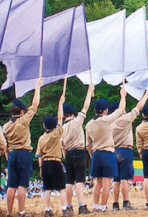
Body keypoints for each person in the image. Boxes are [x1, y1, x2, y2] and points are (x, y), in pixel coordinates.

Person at [4, 78, 42, 217]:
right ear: (21, 112)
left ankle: (8, 212)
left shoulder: (6, 127)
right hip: (24, 153)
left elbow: (5, 145)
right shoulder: (24, 121)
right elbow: (35, 104)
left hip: (12, 154)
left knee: (11, 185)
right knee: (22, 184)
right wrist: (37, 88)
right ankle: (21, 211)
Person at [110, 85, 148, 212]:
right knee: (124, 179)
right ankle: (126, 203)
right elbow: (139, 107)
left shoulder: (109, 122)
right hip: (125, 150)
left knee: (116, 179)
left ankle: (115, 205)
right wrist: (147, 94)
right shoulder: (125, 119)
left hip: (113, 150)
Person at [60, 84, 94, 216]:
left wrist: (65, 156)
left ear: (64, 115)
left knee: (69, 181)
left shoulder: (61, 128)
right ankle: (81, 205)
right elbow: (85, 107)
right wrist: (89, 91)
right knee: (79, 180)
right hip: (79, 152)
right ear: (73, 113)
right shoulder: (77, 121)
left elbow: (62, 145)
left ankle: (69, 206)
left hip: (67, 153)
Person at [36, 89, 67, 216]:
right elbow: (60, 118)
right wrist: (61, 103)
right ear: (54, 126)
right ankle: (65, 209)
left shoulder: (41, 138)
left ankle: (47, 210)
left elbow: (39, 155)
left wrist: (40, 167)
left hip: (45, 164)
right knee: (61, 188)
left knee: (47, 189)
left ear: (44, 126)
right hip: (55, 162)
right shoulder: (56, 133)